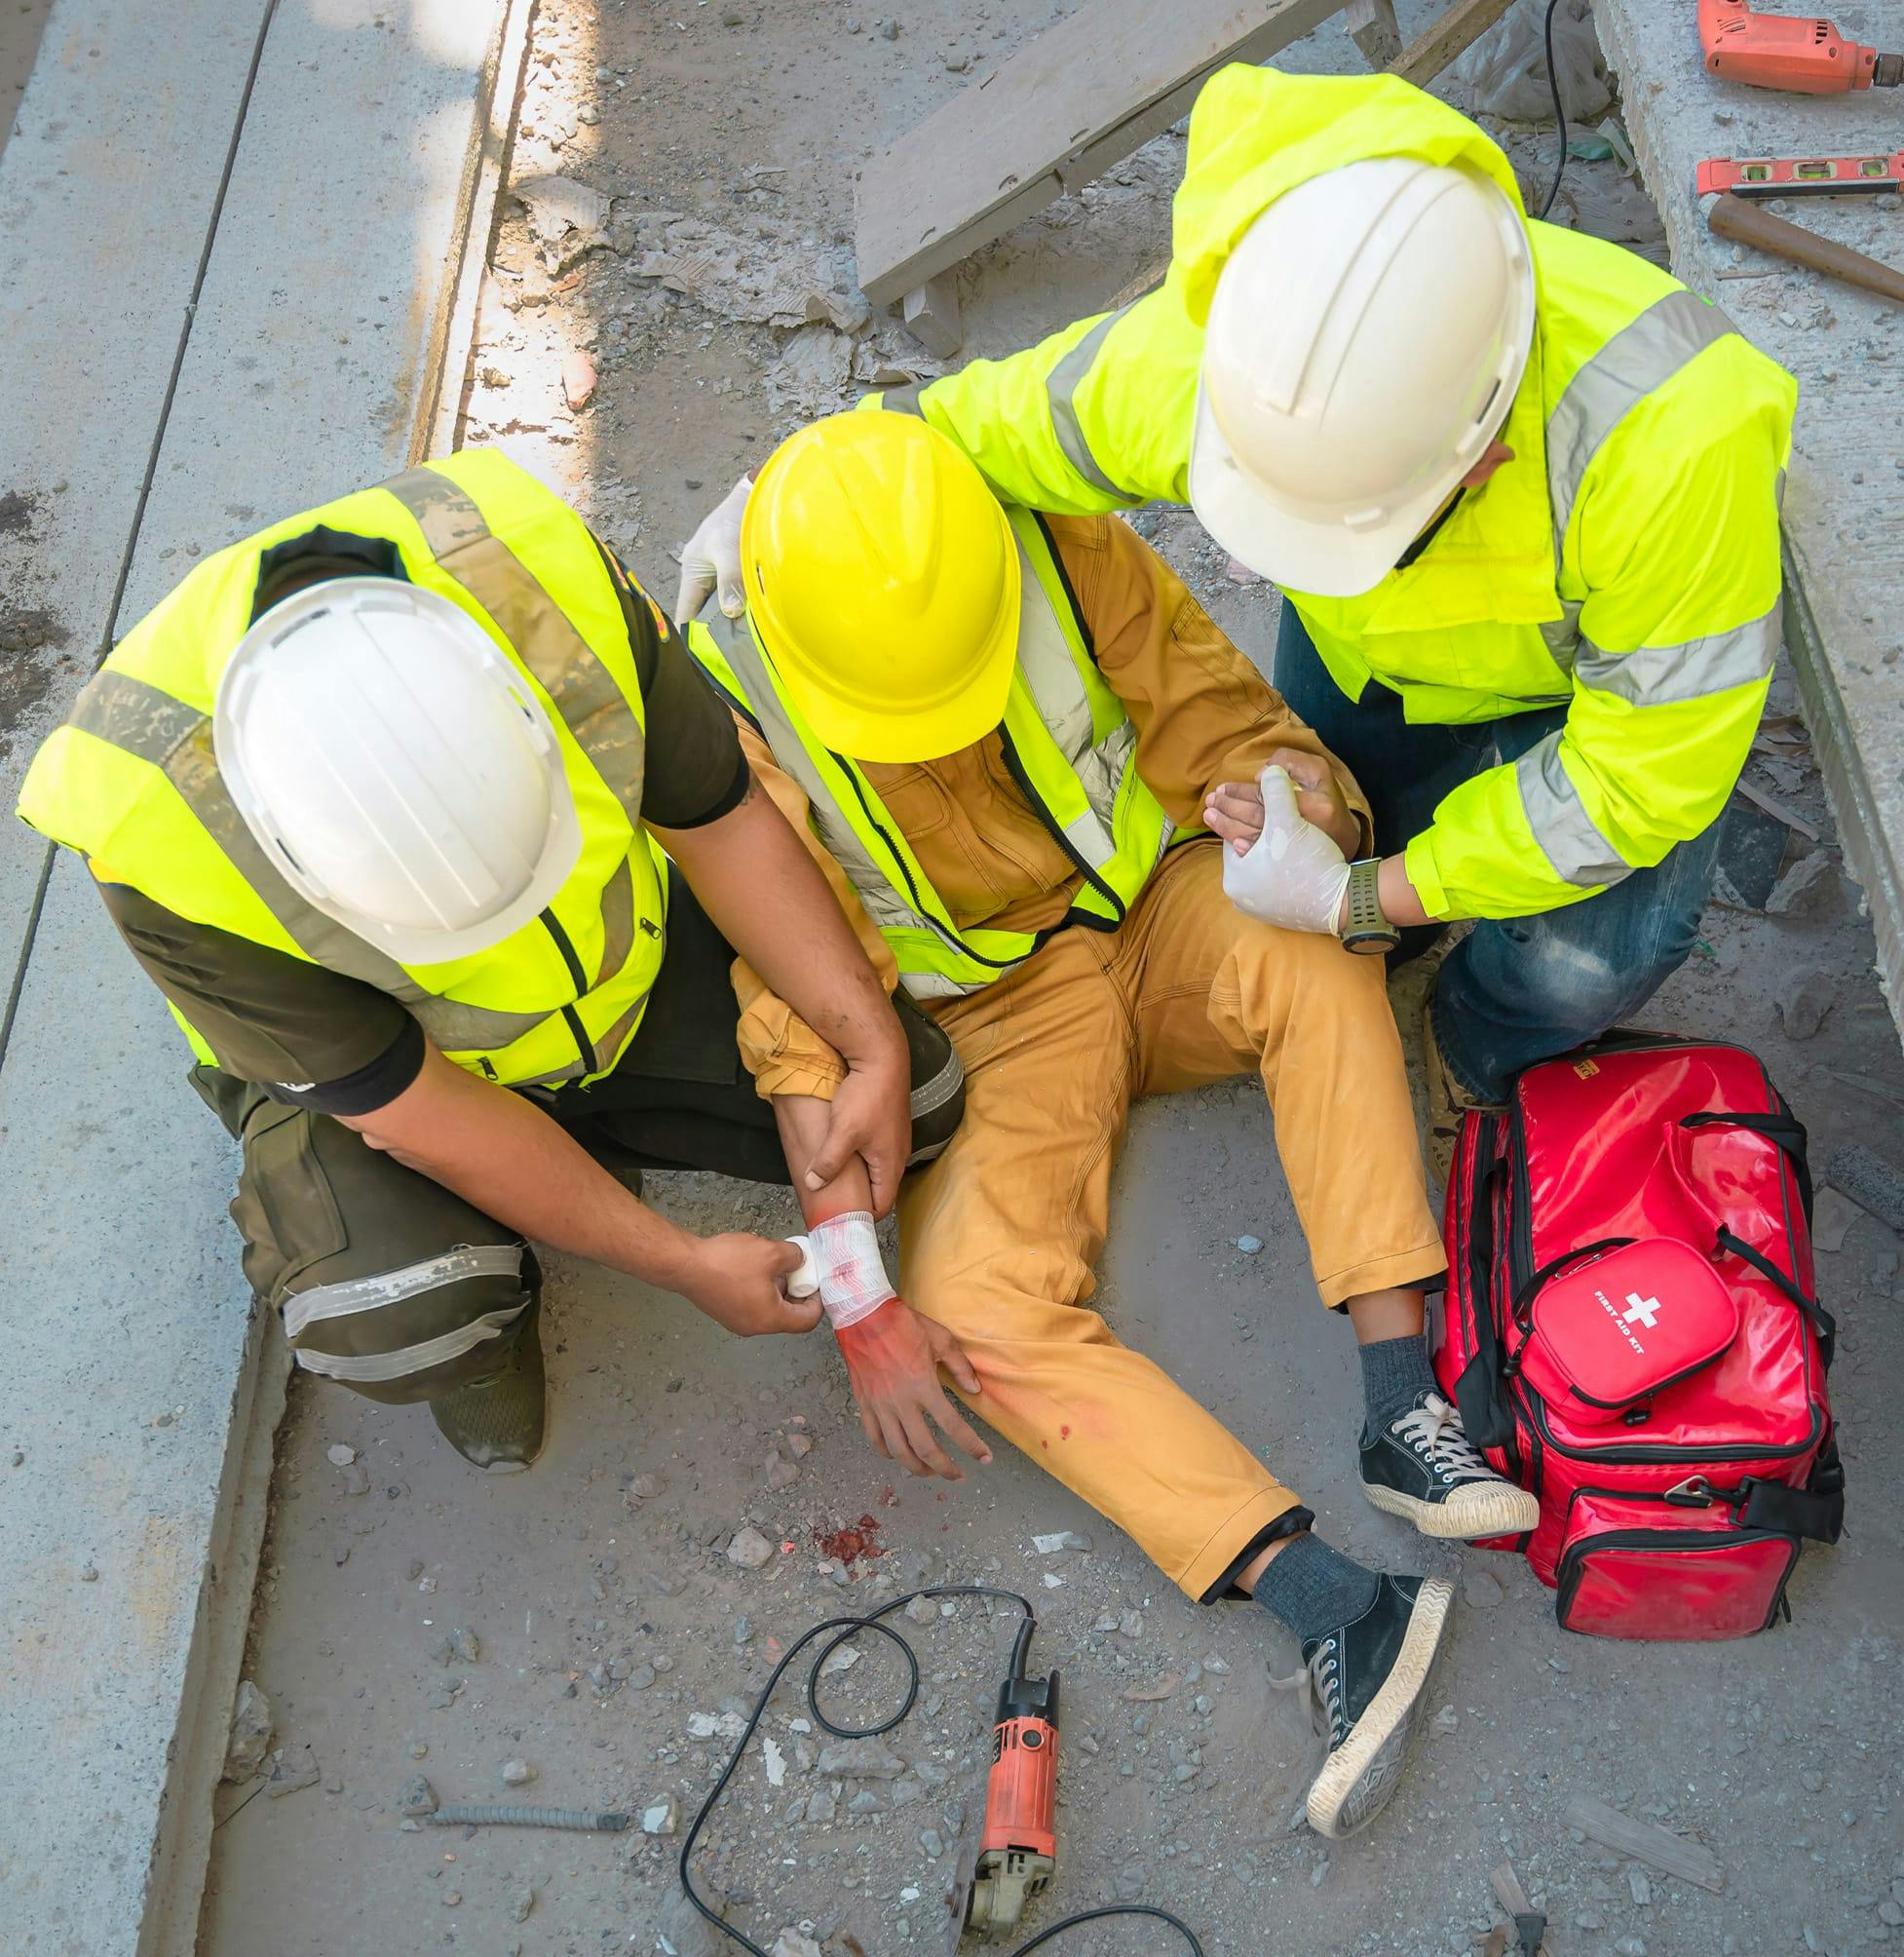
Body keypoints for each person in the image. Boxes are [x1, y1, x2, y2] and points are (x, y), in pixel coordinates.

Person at [677, 67, 1796, 1166]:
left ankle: (1471, 1040)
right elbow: (964, 432)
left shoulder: (1674, 444)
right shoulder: (1225, 363)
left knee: (1597, 947)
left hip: (1579, 687)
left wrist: (1363, 895)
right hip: (1368, 660)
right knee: (1341, 804)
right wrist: (801, 495)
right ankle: (1379, 932)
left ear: (1485, 450)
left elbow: (1628, 786)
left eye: (1350, 527)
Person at [683, 409, 1542, 1838]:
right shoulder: (722, 694)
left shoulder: (1038, 537)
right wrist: (856, 1293)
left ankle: (1404, 1411)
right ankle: (1335, 1600)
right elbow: (788, 1019)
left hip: (1160, 912)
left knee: (1319, 948)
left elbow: (1244, 730)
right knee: (960, 1309)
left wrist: (1288, 817)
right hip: (999, 1020)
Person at [16, 448, 963, 1472]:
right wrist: (680, 1262)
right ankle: (483, 1320)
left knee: (915, 1100)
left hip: (619, 977)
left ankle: (578, 1151)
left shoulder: (534, 576)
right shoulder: (151, 832)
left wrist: (861, 1044)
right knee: (392, 1311)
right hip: (386, 1084)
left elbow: (721, 820)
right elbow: (423, 1110)